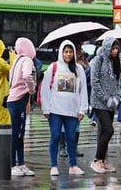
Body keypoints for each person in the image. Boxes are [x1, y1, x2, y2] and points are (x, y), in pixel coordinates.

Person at [40, 40, 87, 176]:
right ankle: (53, 165)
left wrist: (82, 109)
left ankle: (73, 165)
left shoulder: (79, 69)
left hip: (72, 111)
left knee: (71, 138)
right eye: (66, 52)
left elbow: (83, 90)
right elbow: (45, 89)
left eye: (70, 51)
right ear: (61, 52)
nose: (68, 54)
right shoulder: (53, 67)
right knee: (55, 137)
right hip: (55, 110)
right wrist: (46, 109)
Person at [90, 37, 121, 174]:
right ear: (107, 48)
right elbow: (95, 82)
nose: (115, 51)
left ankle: (102, 160)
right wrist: (105, 98)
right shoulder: (98, 60)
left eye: (117, 49)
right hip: (99, 102)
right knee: (109, 130)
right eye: (113, 48)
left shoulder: (115, 62)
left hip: (111, 103)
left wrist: (117, 98)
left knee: (104, 131)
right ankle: (97, 160)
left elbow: (116, 81)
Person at [6, 38, 36, 176]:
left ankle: (21, 163)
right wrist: (31, 90)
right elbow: (27, 76)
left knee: (19, 133)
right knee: (17, 133)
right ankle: (13, 165)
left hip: (14, 100)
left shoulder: (16, 60)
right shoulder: (27, 60)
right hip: (18, 100)